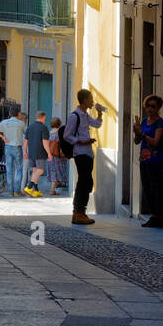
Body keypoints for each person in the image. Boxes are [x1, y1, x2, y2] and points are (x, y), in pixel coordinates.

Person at [64, 88, 104, 224]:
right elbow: (67, 136)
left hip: (87, 153)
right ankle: (78, 212)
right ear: (85, 100)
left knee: (87, 182)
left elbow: (97, 124)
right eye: (91, 99)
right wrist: (81, 141)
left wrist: (99, 114)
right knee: (84, 182)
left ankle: (80, 212)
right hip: (80, 153)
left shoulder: (85, 115)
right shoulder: (74, 116)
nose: (92, 102)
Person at [133, 94, 163, 228]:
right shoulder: (144, 121)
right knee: (147, 188)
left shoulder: (160, 123)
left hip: (156, 161)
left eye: (153, 106)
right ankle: (154, 216)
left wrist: (141, 134)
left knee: (156, 189)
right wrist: (136, 132)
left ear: (158, 108)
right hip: (144, 160)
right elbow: (137, 141)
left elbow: (155, 142)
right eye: (148, 106)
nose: (150, 109)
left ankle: (159, 217)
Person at [0, 106, 27, 197]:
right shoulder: (21, 123)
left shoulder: (4, 122)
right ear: (18, 113)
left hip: (7, 147)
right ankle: (17, 190)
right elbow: (27, 134)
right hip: (17, 147)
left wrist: (3, 137)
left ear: (10, 114)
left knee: (9, 169)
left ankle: (10, 191)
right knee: (19, 169)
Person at [23, 111, 50, 198]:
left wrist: (25, 152)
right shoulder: (44, 127)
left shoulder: (29, 127)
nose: (45, 120)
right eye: (45, 118)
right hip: (40, 152)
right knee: (40, 170)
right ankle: (29, 187)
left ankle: (36, 190)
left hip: (31, 152)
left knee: (35, 171)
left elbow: (25, 141)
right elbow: (45, 142)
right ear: (42, 117)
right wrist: (49, 153)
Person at [46, 116, 69, 196]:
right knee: (58, 172)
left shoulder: (49, 133)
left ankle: (55, 186)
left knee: (53, 172)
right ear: (59, 124)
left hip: (50, 155)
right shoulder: (60, 132)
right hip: (58, 155)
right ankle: (52, 190)